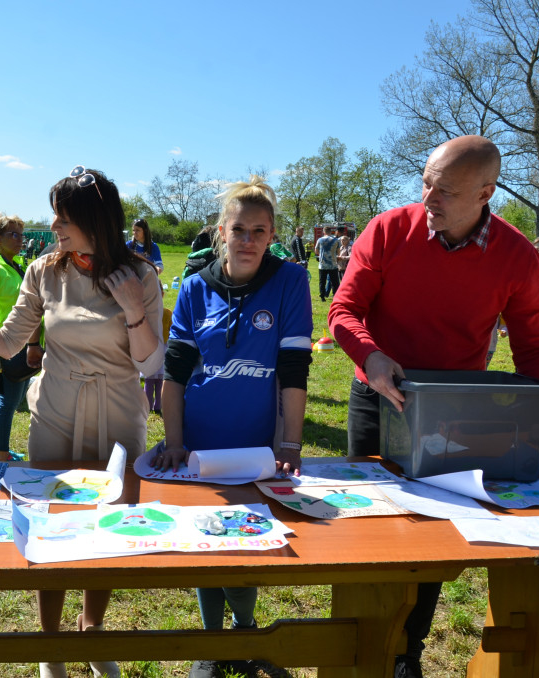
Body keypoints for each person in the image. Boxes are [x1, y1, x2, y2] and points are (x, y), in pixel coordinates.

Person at [0, 166, 164, 678]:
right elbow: (5, 342)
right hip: (58, 412)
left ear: (96, 219)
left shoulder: (141, 274)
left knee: (105, 522)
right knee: (52, 519)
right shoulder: (45, 271)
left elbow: (150, 365)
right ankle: (51, 645)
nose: (54, 226)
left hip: (117, 415)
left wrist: (134, 308)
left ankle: (92, 631)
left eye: (64, 217)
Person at [327, 135, 539, 678]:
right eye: (426, 181)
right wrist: (371, 355)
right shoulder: (387, 230)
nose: (428, 196)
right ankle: (360, 648)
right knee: (365, 523)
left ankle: (407, 651)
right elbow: (344, 309)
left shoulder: (516, 256)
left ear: (485, 193)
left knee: (433, 531)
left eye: (445, 190)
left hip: (456, 410)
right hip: (379, 398)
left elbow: (533, 347)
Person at [151, 176, 311, 678]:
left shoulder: (290, 282)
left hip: (256, 443)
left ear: (272, 235)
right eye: (238, 229)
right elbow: (174, 374)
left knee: (246, 542)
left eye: (258, 231)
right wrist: (175, 441)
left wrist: (289, 442)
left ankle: (243, 632)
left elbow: (293, 372)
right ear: (221, 231)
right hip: (200, 445)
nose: (247, 240)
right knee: (207, 542)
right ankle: (211, 645)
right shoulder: (196, 287)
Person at [0, 212, 43, 462]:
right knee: (9, 400)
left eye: (21, 235)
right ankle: (2, 454)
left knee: (13, 397)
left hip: (24, 341)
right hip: (9, 343)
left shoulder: (16, 265)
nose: (20, 240)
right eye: (13, 235)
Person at [313, 225, 340, 302]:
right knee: (335, 282)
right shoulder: (336, 240)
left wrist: (322, 255)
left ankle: (322, 296)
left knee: (322, 281)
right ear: (331, 231)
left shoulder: (320, 240)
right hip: (333, 264)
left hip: (323, 264)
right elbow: (338, 252)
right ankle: (335, 295)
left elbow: (316, 251)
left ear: (323, 232)